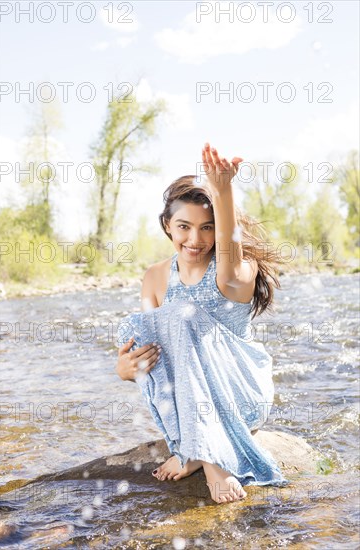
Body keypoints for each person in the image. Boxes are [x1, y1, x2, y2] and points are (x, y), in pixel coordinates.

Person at [115, 142, 290, 504]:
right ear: (168, 225)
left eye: (208, 228)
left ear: (221, 228)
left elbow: (228, 252)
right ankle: (195, 446)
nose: (195, 239)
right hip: (189, 403)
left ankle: (212, 461)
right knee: (150, 326)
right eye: (184, 226)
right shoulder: (155, 276)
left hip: (239, 393)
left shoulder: (236, 271)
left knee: (183, 315)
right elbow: (154, 355)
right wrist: (126, 368)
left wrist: (222, 189)